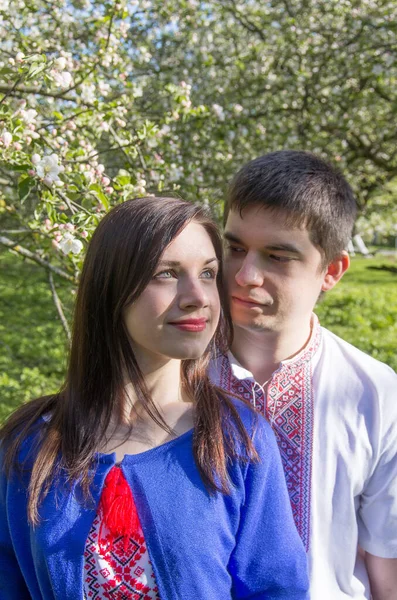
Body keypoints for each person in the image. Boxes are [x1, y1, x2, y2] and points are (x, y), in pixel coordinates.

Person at [0, 196, 309, 599]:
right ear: (112, 287)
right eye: (166, 273)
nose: (197, 296)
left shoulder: (236, 439)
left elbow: (277, 589)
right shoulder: (31, 444)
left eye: (209, 273)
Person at [209, 151, 397, 600]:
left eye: (277, 256)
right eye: (235, 248)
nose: (245, 275)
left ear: (331, 271)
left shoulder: (373, 392)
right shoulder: (171, 374)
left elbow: (386, 561)